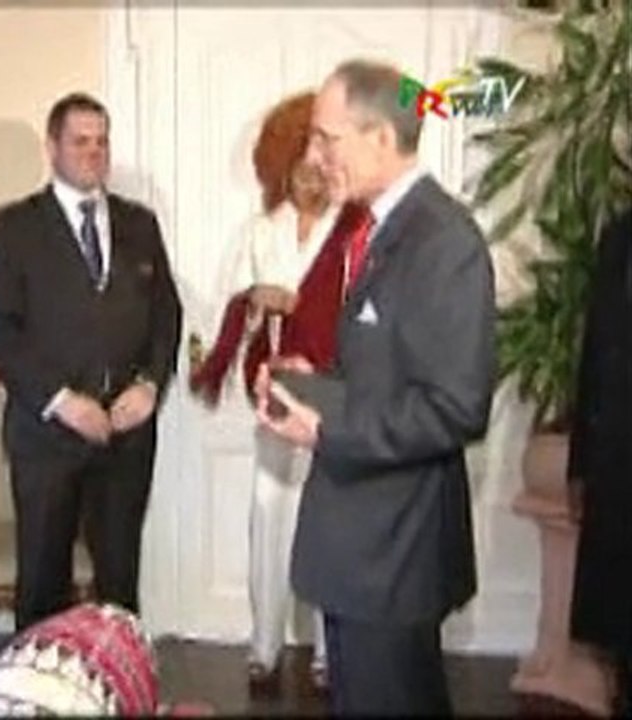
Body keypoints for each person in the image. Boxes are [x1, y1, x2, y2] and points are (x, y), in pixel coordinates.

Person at [254, 59, 496, 715]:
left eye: (326, 138)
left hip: (394, 556)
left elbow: (456, 407)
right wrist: (317, 387)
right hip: (364, 552)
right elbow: (388, 374)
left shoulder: (445, 242)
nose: (311, 155)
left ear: (382, 140)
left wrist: (326, 426)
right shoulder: (382, 228)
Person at [190, 91, 372, 695]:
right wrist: (255, 301)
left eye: (324, 164)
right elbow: (232, 312)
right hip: (274, 395)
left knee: (329, 526)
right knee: (267, 518)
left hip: (332, 398)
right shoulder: (258, 231)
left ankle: (329, 651)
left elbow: (364, 311)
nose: (315, 176)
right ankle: (264, 649)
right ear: (281, 166)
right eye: (304, 165)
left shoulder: (353, 232)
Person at [0, 92, 182, 631]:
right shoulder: (14, 227)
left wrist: (149, 386)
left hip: (126, 437)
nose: (94, 153)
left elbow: (167, 316)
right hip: (47, 439)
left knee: (119, 584)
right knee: (44, 584)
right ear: (53, 147)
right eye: (80, 142)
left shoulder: (140, 223)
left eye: (102, 142)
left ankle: (117, 686)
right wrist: (63, 402)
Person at [568, 207, 632, 716]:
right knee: (618, 634)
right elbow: (594, 353)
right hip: (616, 463)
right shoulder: (617, 235)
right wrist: (579, 465)